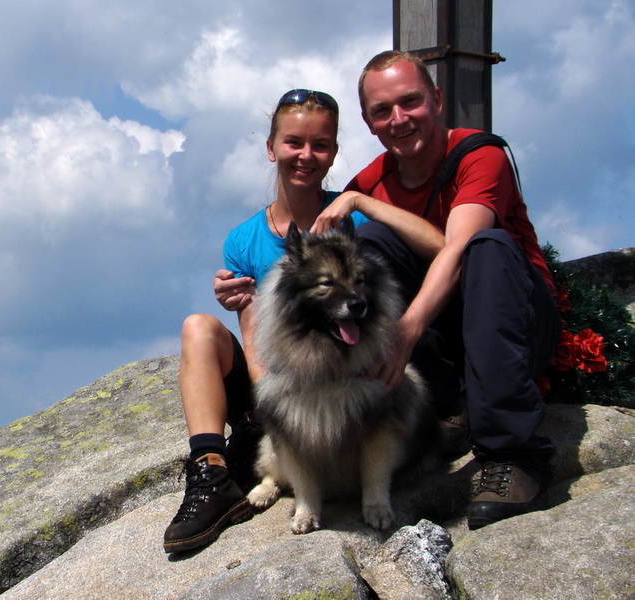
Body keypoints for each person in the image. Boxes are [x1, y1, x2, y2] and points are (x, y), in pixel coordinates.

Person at [164, 89, 445, 554]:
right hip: (280, 383)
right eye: (294, 142)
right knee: (198, 325)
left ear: (334, 152)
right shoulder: (244, 239)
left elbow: (440, 248)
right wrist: (235, 305)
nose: (306, 156)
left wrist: (362, 202)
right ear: (272, 148)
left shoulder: (353, 213)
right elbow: (258, 341)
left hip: (348, 376)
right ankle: (210, 473)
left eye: (320, 145)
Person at [308, 50, 560, 530]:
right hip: (449, 340)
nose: (398, 119)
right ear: (369, 122)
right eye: (383, 110)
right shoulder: (373, 179)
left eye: (411, 102)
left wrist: (404, 333)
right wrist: (248, 284)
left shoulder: (479, 155)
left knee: (484, 246)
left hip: (520, 322)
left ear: (437, 99)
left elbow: (456, 248)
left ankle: (515, 457)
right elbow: (308, 244)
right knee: (370, 245)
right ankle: (440, 408)